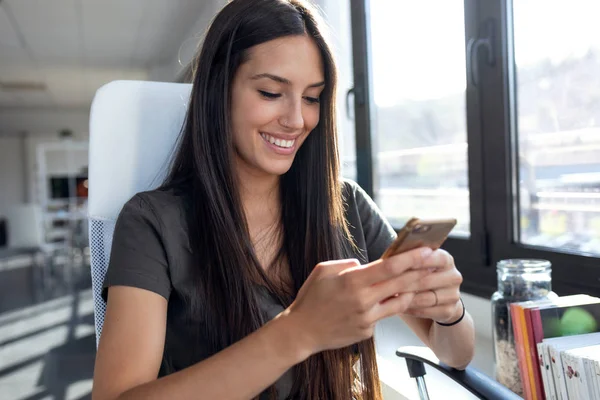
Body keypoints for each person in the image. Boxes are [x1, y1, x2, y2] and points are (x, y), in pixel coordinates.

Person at [91, 0, 475, 399]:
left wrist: (450, 313)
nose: (296, 120)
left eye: (312, 98)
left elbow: (458, 355)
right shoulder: (152, 223)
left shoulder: (346, 206)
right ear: (218, 90)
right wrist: (298, 332)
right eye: (272, 92)